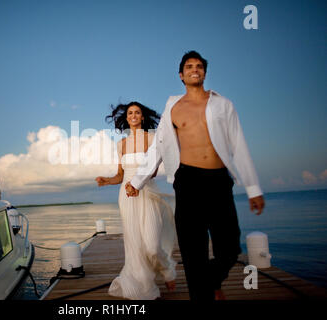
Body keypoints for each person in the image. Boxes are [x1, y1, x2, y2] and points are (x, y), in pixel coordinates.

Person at [125, 51, 265, 301]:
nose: (195, 69)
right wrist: (137, 181)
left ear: (205, 73)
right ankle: (202, 293)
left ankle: (212, 281)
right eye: (189, 66)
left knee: (230, 250)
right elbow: (158, 145)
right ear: (181, 75)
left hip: (219, 180)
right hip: (187, 181)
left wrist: (253, 188)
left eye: (199, 66)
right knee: (192, 252)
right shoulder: (173, 108)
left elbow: (239, 144)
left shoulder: (223, 105)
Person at [95, 101, 177, 300]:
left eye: (137, 112)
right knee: (135, 245)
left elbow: (154, 170)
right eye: (130, 113)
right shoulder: (121, 144)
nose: (133, 115)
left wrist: (137, 183)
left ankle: (167, 270)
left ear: (142, 117)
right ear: (126, 118)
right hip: (126, 197)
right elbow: (120, 175)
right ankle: (143, 285)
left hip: (147, 194)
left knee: (151, 243)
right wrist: (107, 180)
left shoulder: (151, 138)